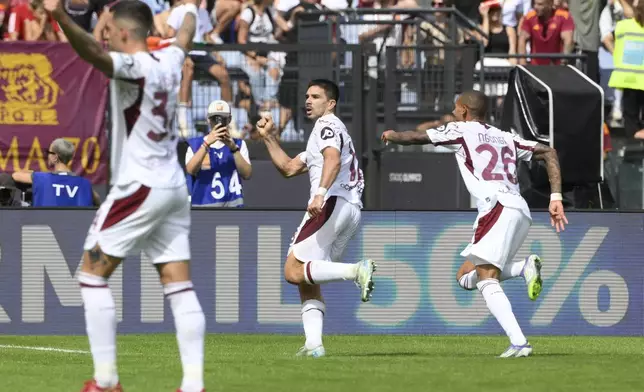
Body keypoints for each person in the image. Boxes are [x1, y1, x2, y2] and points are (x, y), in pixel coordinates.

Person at [44, 0, 205, 391]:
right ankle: (194, 385)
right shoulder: (170, 58)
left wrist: (60, 16)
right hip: (173, 187)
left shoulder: (135, 67)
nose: (107, 33)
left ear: (126, 33)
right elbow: (188, 25)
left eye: (112, 28)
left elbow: (92, 53)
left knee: (91, 275)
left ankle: (105, 381)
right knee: (179, 285)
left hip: (140, 185)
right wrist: (182, 10)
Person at [381, 90, 568, 358]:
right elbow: (549, 152)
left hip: (496, 206)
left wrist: (392, 135)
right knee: (465, 278)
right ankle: (522, 268)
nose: (454, 112)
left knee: (486, 279)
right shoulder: (506, 137)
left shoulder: (461, 130)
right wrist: (556, 197)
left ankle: (519, 342)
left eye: (456, 108)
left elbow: (416, 137)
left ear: (465, 110)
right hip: (519, 208)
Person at [255, 79, 376, 358]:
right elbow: (288, 168)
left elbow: (332, 160)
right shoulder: (324, 132)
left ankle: (356, 271)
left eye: (316, 96)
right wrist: (269, 137)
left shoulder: (327, 126)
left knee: (292, 270)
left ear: (330, 103)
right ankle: (314, 345)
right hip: (350, 208)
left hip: (332, 203)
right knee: (307, 280)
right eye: (307, 96)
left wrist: (320, 194)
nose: (308, 101)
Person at [185, 100, 252, 207]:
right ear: (208, 119)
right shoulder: (195, 145)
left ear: (229, 119)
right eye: (214, 119)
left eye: (223, 119)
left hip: (232, 208)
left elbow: (247, 174)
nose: (218, 123)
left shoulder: (239, 144)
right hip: (203, 208)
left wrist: (233, 149)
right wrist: (206, 145)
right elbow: (190, 170)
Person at [12, 138, 99, 207]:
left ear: (55, 157)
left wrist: (32, 172)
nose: (48, 156)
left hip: (45, 227)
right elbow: (97, 201)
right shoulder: (84, 183)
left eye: (49, 152)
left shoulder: (41, 178)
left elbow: (15, 175)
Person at [608, 0, 644, 140]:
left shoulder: (623, 26)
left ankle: (632, 145)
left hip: (629, 79)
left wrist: (616, 53)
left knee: (630, 118)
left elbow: (607, 39)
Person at [518, 0, 575, 65]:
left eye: (540, 4)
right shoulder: (530, 16)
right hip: (535, 66)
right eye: (534, 4)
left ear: (550, 4)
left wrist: (563, 62)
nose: (536, 7)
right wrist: (522, 66)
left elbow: (568, 40)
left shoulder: (564, 16)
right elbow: (522, 39)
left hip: (557, 66)